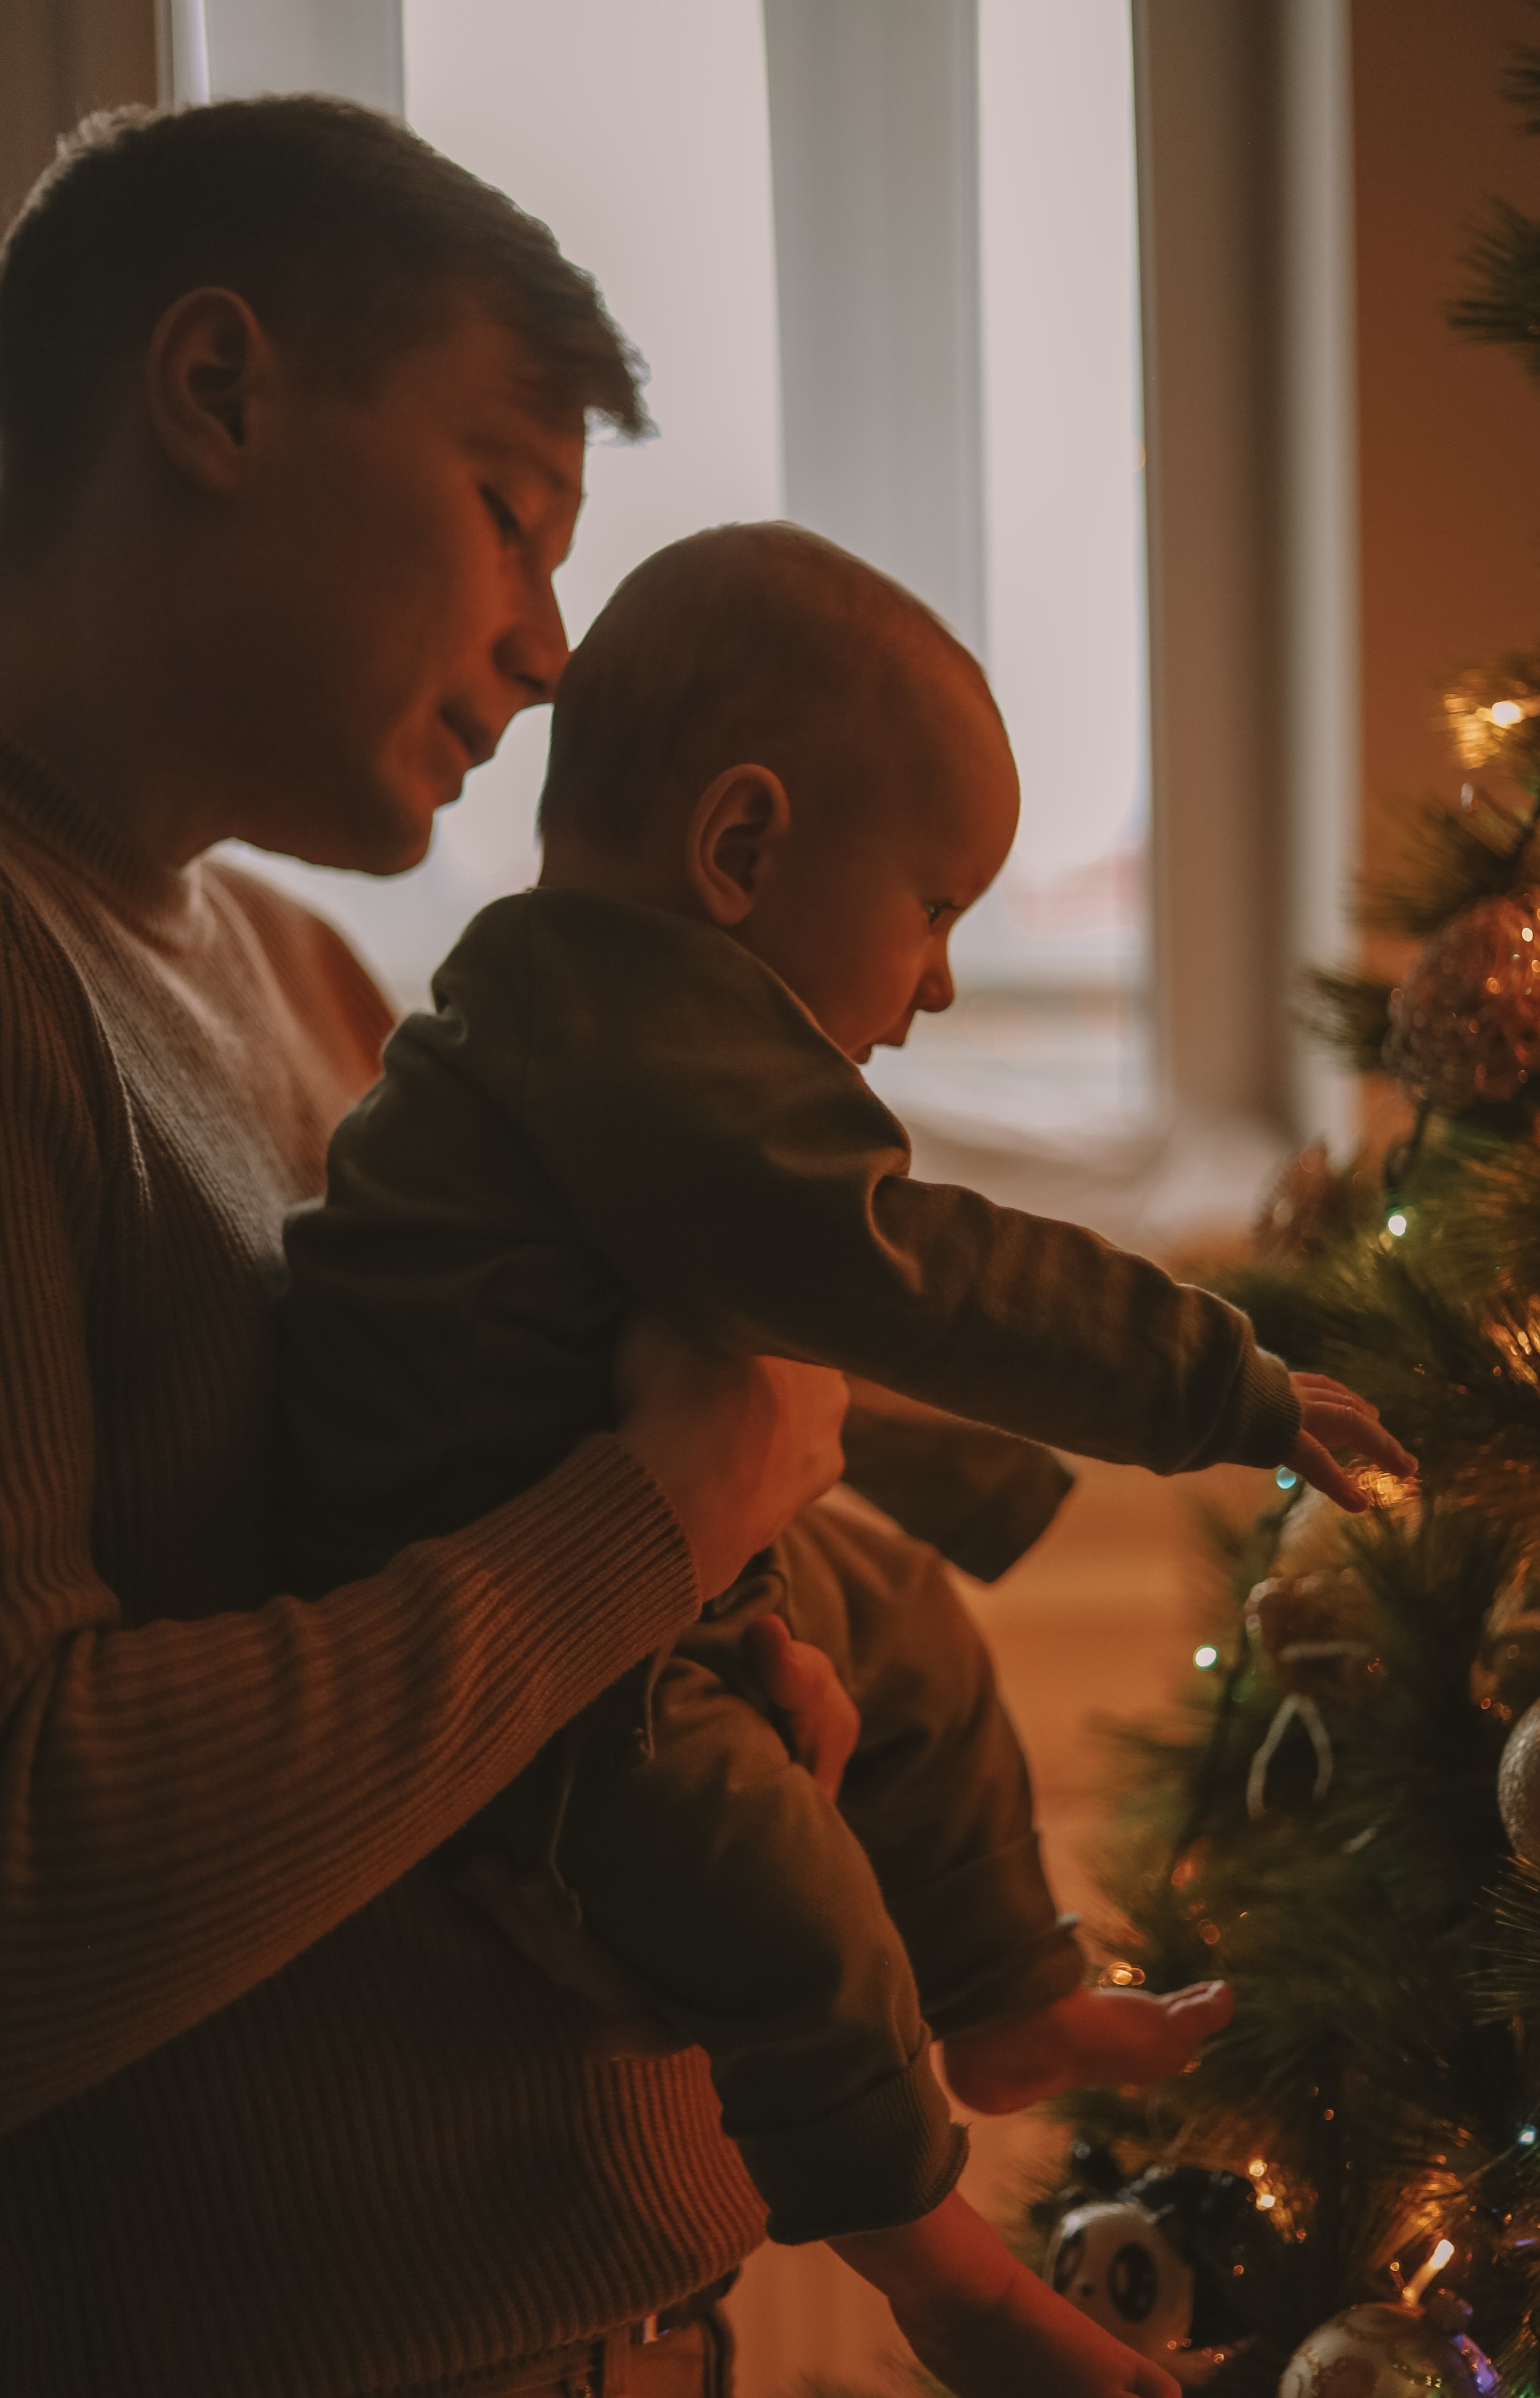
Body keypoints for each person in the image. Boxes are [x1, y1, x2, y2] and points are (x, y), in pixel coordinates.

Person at [279, 523, 1416, 2395]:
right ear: (741, 852)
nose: (946, 985)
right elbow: (903, 1276)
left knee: (906, 1620)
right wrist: (1237, 1388)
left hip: (625, 1550)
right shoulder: (629, 1046)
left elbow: (798, 1360)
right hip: (534, 1686)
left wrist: (974, 1490)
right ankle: (953, 2281)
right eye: (937, 910)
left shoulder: (608, 1036)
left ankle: (1001, 1998)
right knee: (777, 1896)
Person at [0, 97, 855, 2398]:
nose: (554, 649)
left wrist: (723, 1678)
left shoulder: (296, 971)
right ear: (220, 392)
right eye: (510, 516)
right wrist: (644, 1530)